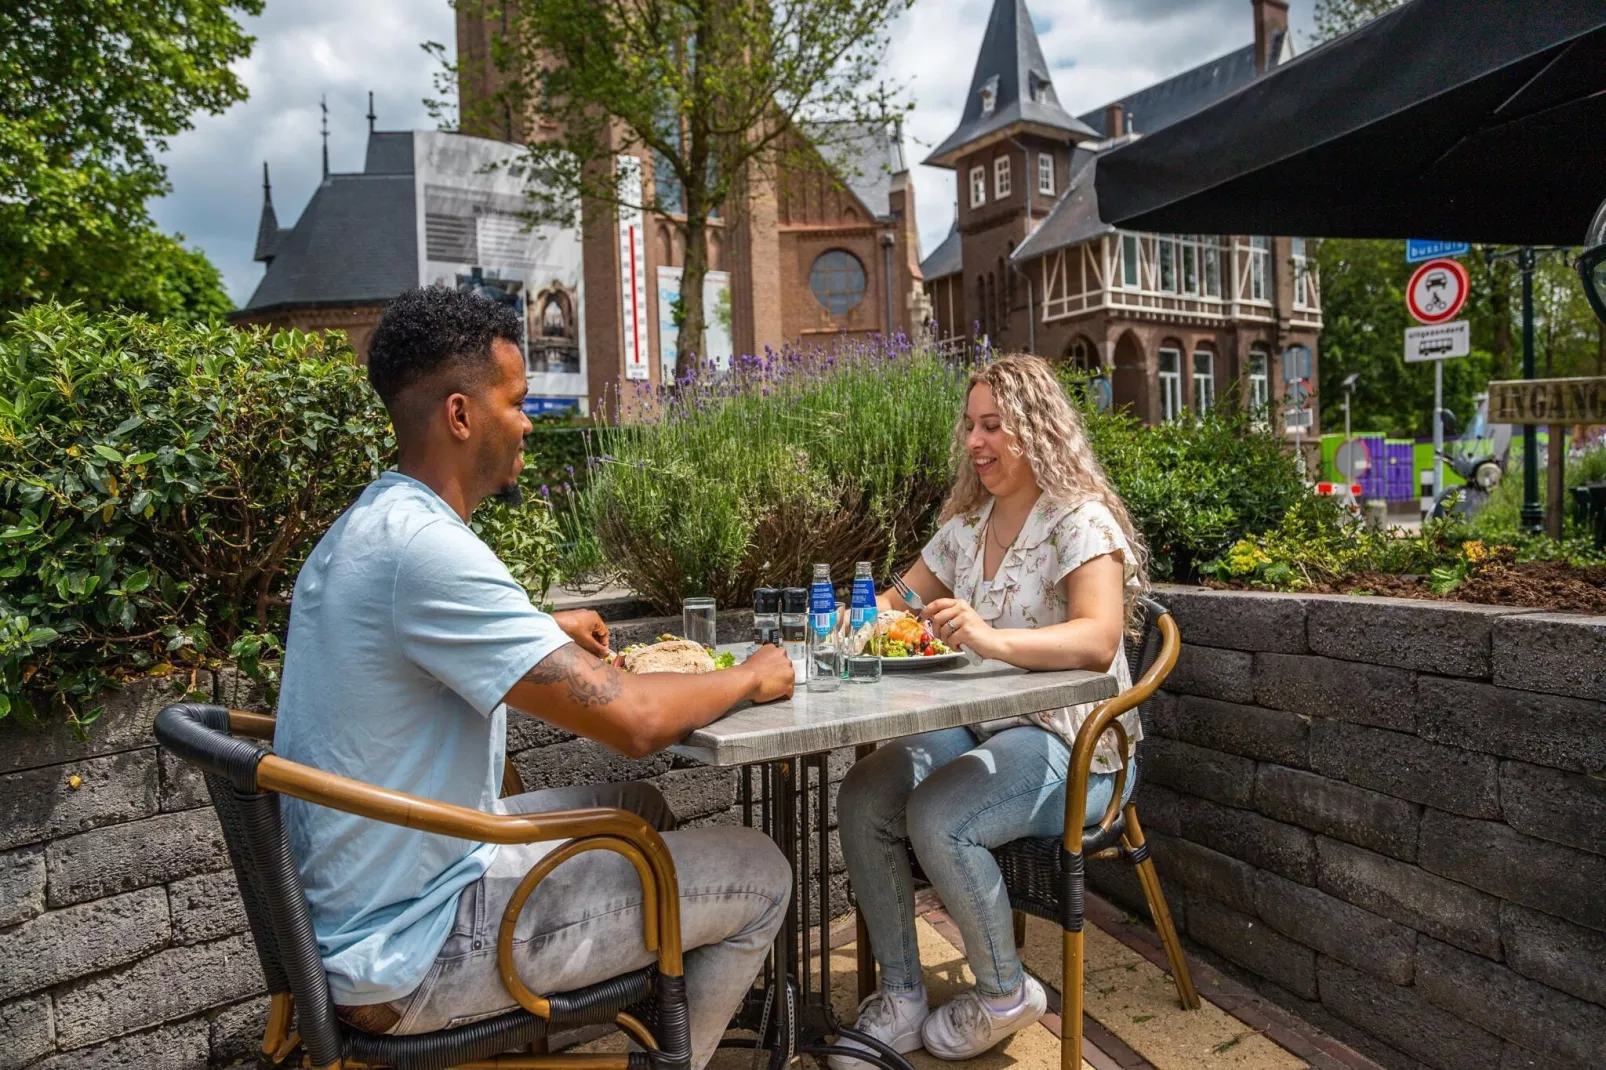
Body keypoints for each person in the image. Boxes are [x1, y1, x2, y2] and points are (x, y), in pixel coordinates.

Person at [273, 286, 795, 1069]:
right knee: (762, 872)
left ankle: (645, 1005)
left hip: (363, 909)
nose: (529, 420)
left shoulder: (374, 527)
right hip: (414, 947)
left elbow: (407, 642)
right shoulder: (429, 553)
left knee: (637, 808)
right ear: (460, 415)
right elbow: (636, 724)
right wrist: (753, 673)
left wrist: (542, 630)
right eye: (516, 402)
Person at [834, 354, 1147, 1066]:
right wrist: (834, 626)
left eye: (993, 426)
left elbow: (1098, 639)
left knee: (940, 816)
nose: (975, 442)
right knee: (863, 795)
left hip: (1077, 747)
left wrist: (990, 637)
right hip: (986, 730)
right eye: (970, 426)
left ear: (1035, 430)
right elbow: (899, 602)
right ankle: (904, 996)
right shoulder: (965, 529)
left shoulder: (1079, 521)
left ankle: (1006, 992)